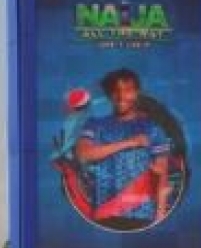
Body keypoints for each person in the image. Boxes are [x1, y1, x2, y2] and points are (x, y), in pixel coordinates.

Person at [73, 69, 175, 230]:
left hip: (143, 214)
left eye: (127, 90)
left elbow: (162, 174)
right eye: (115, 91)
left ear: (137, 92)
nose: (121, 96)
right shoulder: (95, 124)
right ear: (108, 94)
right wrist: (130, 142)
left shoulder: (152, 128)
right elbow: (83, 155)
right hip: (104, 212)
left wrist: (160, 216)